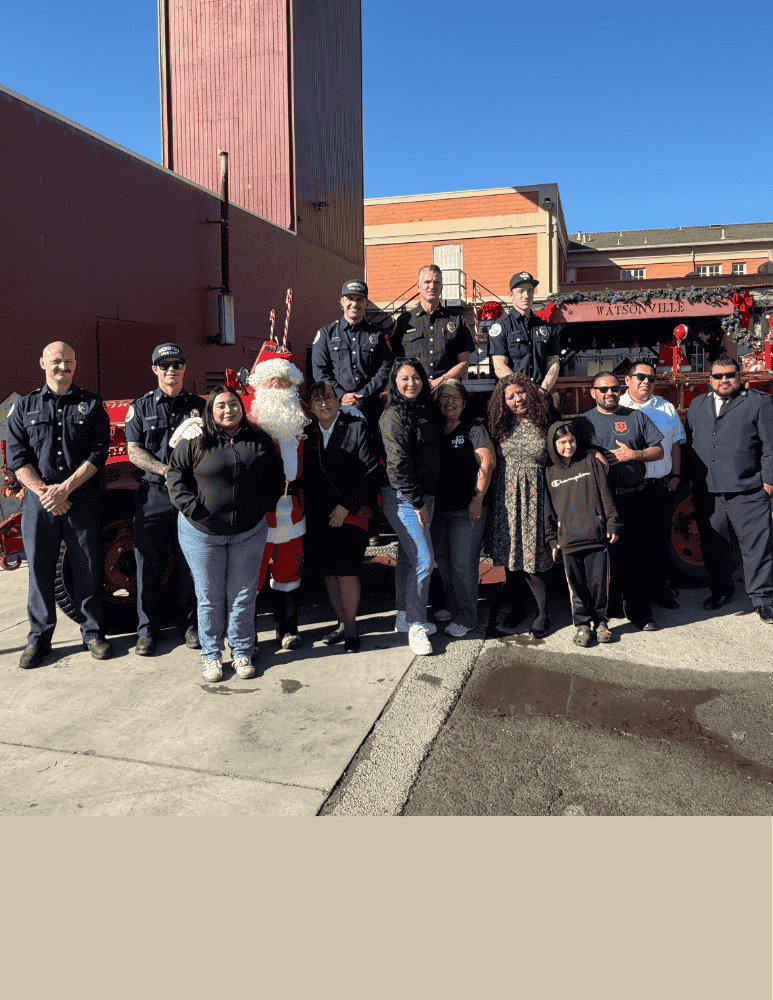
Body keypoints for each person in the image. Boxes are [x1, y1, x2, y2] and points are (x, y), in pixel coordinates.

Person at [166, 386, 284, 681]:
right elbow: (175, 477)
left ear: (241, 407)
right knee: (209, 597)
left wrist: (264, 506)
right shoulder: (194, 439)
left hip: (248, 532)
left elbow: (276, 475)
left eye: (233, 404)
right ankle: (211, 656)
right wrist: (193, 509)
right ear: (210, 410)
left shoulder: (259, 439)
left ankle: (242, 651)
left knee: (243, 595)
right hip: (202, 533)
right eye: (220, 405)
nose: (228, 410)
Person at [6, 341, 112, 668]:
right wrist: (47, 493)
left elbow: (98, 453)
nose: (62, 366)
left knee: (87, 568)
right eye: (56, 361)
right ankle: (39, 639)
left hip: (80, 498)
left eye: (68, 361)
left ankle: (92, 633)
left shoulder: (92, 404)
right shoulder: (23, 407)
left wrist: (65, 489)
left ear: (75, 364)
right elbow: (17, 458)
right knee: (39, 570)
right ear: (42, 363)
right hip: (40, 503)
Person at [125, 343, 206, 655]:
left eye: (177, 364)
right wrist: (166, 470)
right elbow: (134, 450)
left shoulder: (200, 406)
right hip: (154, 495)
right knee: (149, 565)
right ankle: (147, 630)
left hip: (190, 495)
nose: (171, 370)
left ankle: (189, 625)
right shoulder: (141, 407)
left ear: (184, 368)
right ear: (155, 369)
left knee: (189, 563)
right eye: (164, 365)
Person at [572, 372, 664, 631]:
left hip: (635, 496)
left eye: (613, 388)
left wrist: (633, 454)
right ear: (592, 393)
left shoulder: (636, 417)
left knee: (637, 558)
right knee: (604, 559)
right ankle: (608, 610)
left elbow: (659, 450)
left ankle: (640, 612)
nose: (609, 393)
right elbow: (569, 454)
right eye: (603, 389)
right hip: (600, 502)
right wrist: (590, 453)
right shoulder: (582, 423)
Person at [684, 356, 773, 623]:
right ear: (709, 379)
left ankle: (763, 599)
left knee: (756, 548)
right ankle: (721, 590)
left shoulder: (759, 402)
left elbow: (771, 445)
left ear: (740, 376)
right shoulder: (697, 404)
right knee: (714, 546)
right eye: (718, 376)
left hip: (748, 489)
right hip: (709, 492)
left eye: (730, 375)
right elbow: (690, 443)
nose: (724, 380)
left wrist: (769, 481)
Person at [302, 381, 381, 652]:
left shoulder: (357, 428)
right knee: (329, 572)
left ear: (339, 401)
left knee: (347, 571)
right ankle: (340, 622)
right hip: (319, 515)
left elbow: (371, 472)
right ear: (310, 407)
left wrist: (346, 506)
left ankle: (351, 628)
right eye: (317, 400)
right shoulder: (307, 434)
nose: (324, 404)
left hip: (350, 512)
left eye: (328, 398)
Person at [246, 356, 311, 650]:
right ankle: (247, 638)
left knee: (289, 572)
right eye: (271, 381)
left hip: (292, 509)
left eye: (284, 381)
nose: (277, 386)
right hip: (261, 511)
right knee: (252, 577)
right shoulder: (250, 424)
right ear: (260, 386)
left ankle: (287, 629)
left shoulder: (298, 419)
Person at [379, 358, 441, 655]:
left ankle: (404, 617)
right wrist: (416, 501)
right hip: (405, 498)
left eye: (416, 377)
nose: (411, 383)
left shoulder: (421, 409)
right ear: (394, 382)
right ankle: (417, 625)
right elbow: (397, 462)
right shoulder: (393, 414)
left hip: (422, 496)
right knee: (424, 560)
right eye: (404, 378)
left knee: (407, 558)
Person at [484, 374, 553, 637]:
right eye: (510, 396)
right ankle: (517, 607)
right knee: (511, 555)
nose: (517, 399)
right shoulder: (498, 425)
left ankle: (543, 613)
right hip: (506, 499)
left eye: (521, 393)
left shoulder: (545, 421)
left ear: (530, 392)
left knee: (535, 556)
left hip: (536, 497)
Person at [544, 422, 621, 646]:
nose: (568, 446)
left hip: (595, 536)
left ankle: (601, 623)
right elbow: (547, 510)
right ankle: (582, 625)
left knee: (599, 585)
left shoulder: (590, 462)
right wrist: (552, 539)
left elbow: (606, 495)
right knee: (576, 587)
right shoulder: (548, 472)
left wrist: (612, 523)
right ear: (553, 444)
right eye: (562, 442)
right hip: (568, 540)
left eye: (571, 441)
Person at [430, 379, 496, 637]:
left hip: (468, 508)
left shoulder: (474, 428)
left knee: (463, 564)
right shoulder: (434, 428)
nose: (449, 401)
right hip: (439, 508)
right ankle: (450, 605)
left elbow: (487, 463)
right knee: (444, 563)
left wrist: (477, 498)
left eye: (455, 397)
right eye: (444, 397)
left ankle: (466, 617)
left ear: (464, 402)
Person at [619, 358, 685, 609]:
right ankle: (633, 595)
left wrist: (676, 475)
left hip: (660, 485)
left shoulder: (665, 408)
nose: (645, 382)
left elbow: (675, 444)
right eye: (640, 377)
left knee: (659, 542)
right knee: (632, 544)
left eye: (650, 378)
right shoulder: (617, 407)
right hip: (629, 489)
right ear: (627, 380)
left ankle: (659, 589)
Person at [311, 280, 391, 425]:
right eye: (350, 299)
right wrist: (342, 396)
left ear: (366, 303)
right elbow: (320, 371)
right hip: (336, 409)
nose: (354, 304)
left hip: (371, 409)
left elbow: (386, 368)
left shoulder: (378, 334)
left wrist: (362, 395)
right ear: (342, 301)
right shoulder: (326, 334)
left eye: (360, 299)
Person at [390, 264, 474, 390]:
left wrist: (441, 381)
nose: (432, 286)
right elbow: (395, 361)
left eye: (436, 282)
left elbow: (464, 363)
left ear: (441, 287)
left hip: (445, 390)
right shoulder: (404, 320)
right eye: (427, 282)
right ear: (418, 287)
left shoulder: (457, 319)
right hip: (414, 392)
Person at [488, 272, 562, 393]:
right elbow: (499, 366)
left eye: (530, 291)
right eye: (520, 291)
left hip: (540, 393)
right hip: (513, 395)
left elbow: (553, 364)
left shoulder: (547, 328)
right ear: (511, 295)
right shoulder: (501, 326)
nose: (526, 295)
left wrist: (543, 390)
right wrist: (523, 391)